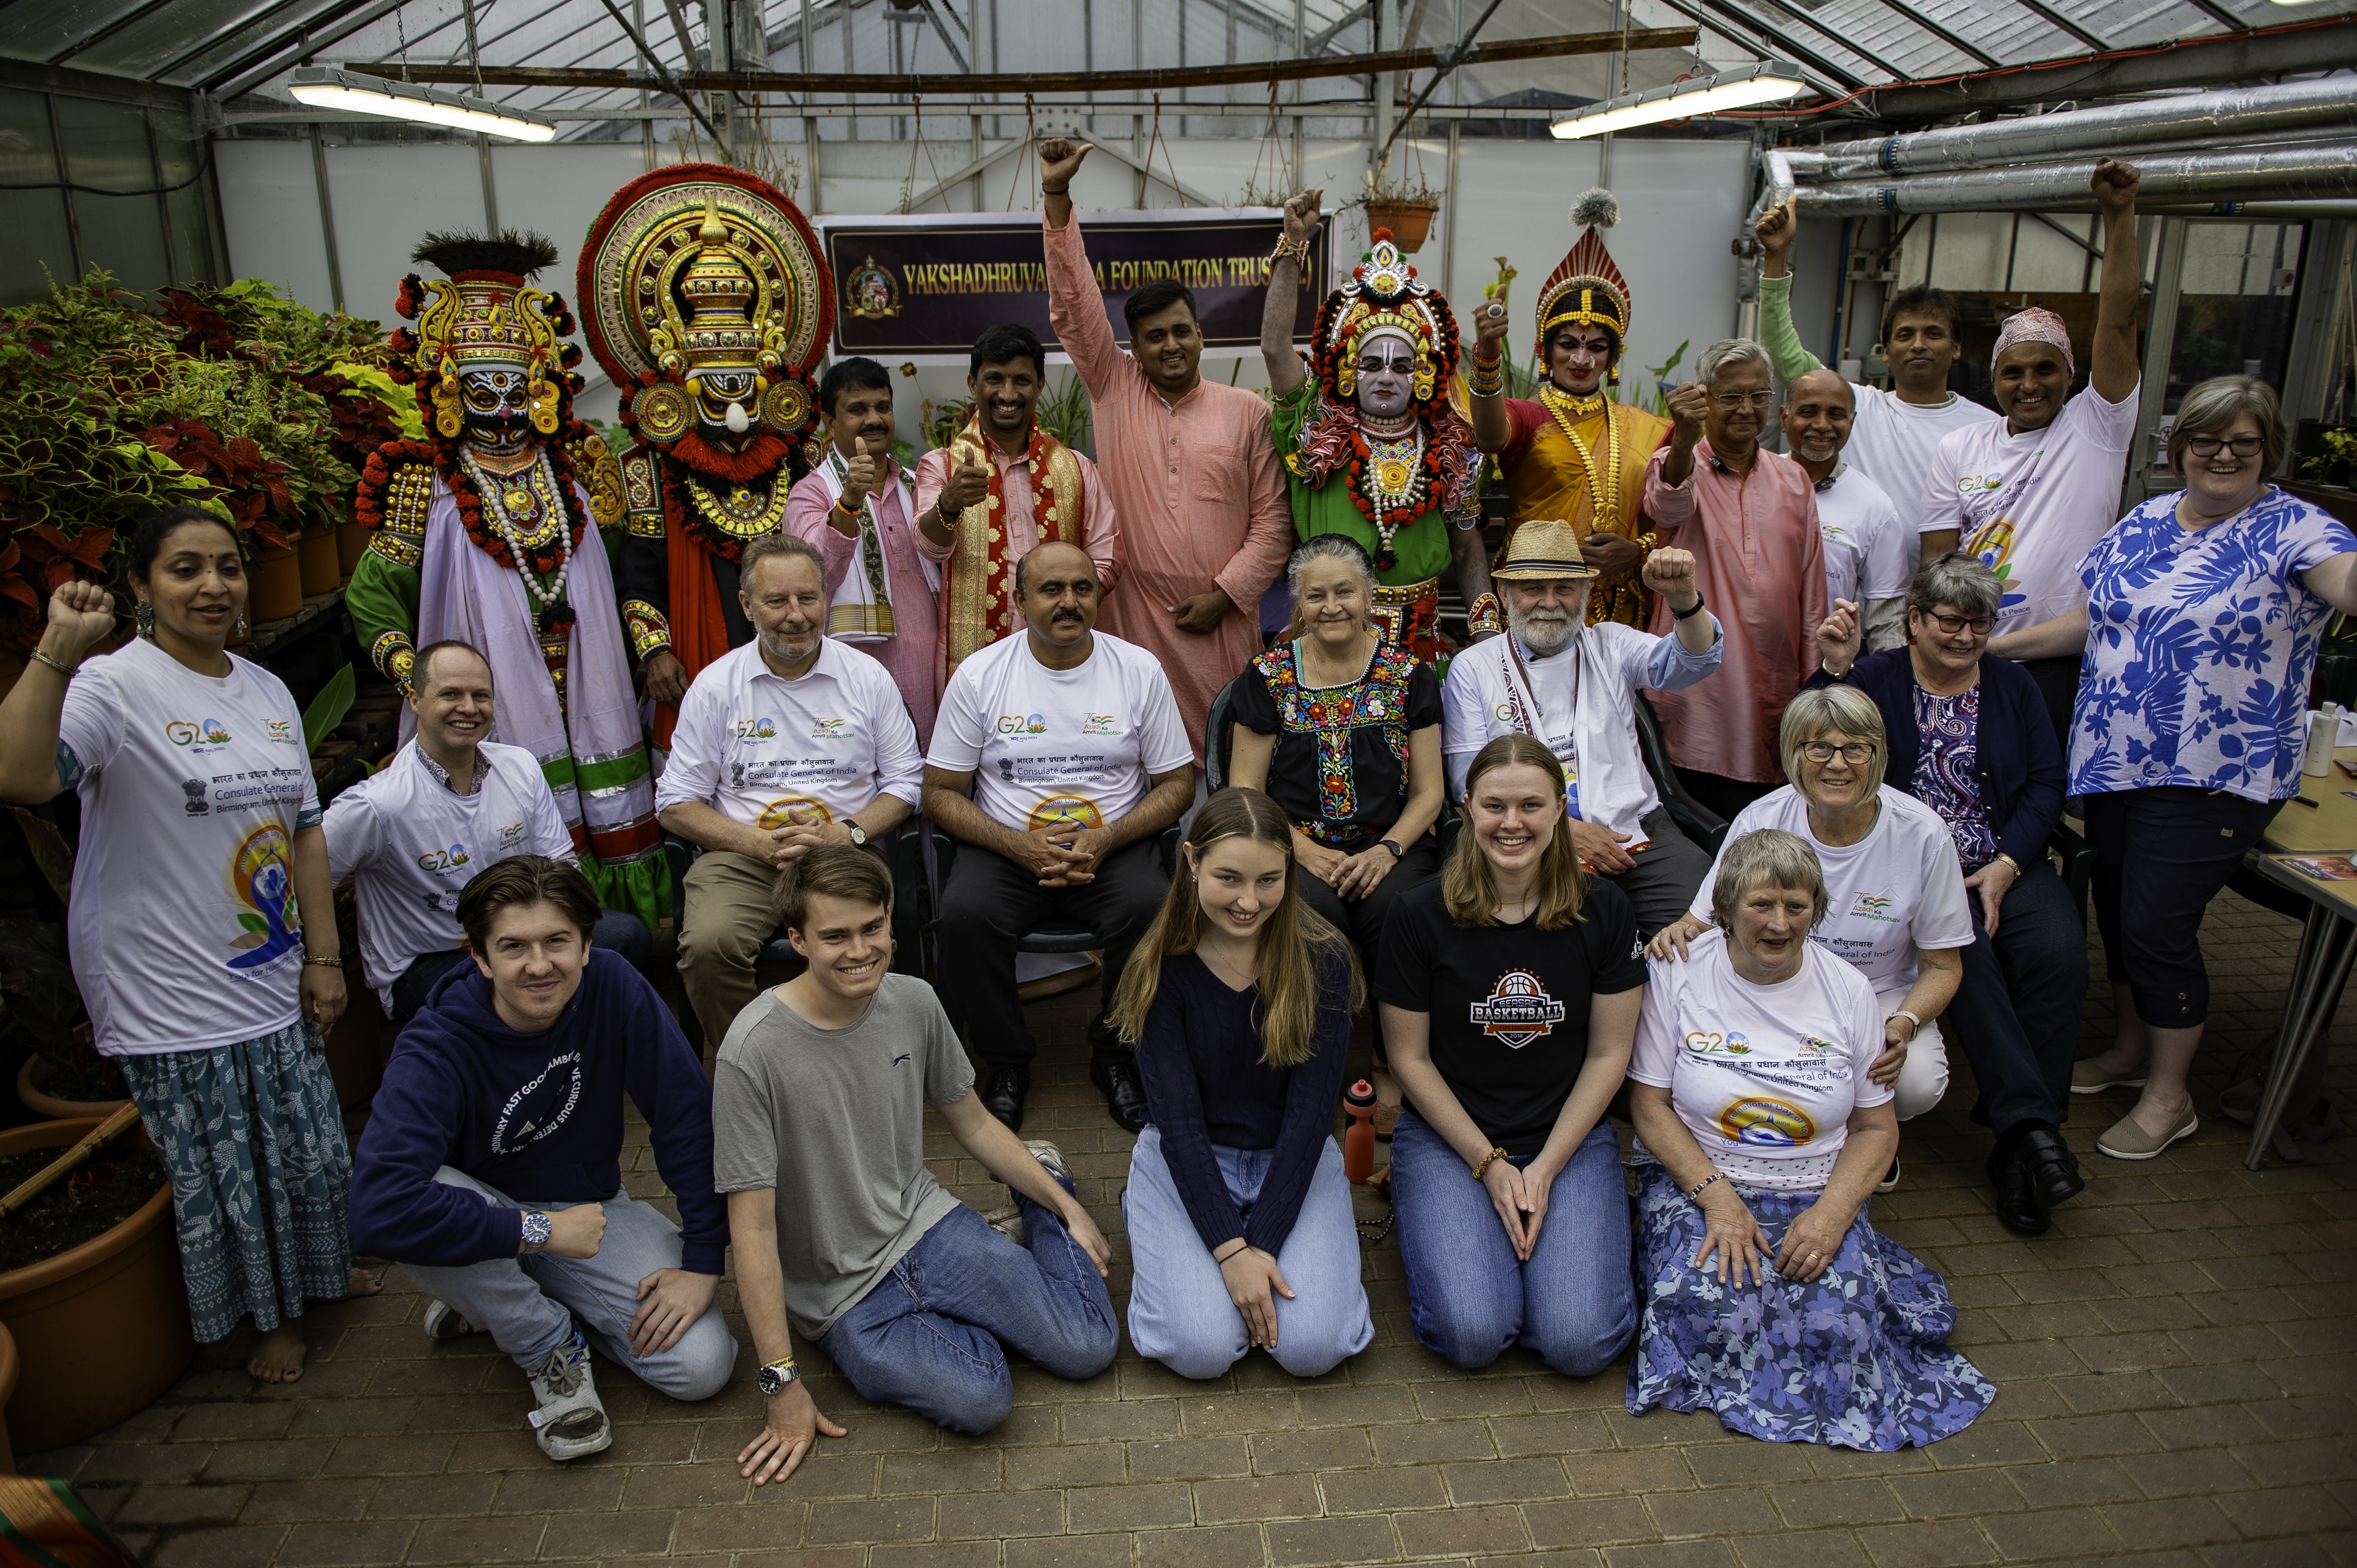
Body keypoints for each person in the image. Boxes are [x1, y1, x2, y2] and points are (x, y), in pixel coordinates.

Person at [0, 507, 374, 1385]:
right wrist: (58, 646)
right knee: (226, 1170)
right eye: (184, 569)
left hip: (269, 966)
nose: (213, 585)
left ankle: (320, 1275)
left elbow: (306, 829)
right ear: (140, 585)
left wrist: (324, 954)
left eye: (228, 567)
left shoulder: (265, 685)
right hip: (166, 979)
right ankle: (260, 1323)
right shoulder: (112, 688)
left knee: (306, 1145)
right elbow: (19, 776)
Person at [1991, 374, 2357, 1160]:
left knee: (2159, 927)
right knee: (2123, 915)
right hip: (2117, 759)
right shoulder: (2147, 519)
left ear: (2269, 451)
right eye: (2207, 439)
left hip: (2215, 770)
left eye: (2244, 441)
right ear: (2179, 446)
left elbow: (2346, 587)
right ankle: (2128, 1052)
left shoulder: (2299, 530)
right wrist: (1989, 650)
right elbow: (2093, 621)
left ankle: (2169, 1094)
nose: (2223, 454)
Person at [716, 845, 1116, 1462]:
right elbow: (751, 1226)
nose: (860, 950)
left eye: (872, 926)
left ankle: (1038, 1190)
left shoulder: (914, 1000)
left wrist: (1065, 1206)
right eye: (834, 935)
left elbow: (975, 1123)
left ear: (890, 917)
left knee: (1089, 1345)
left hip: (929, 1228)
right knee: (982, 1400)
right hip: (842, 1294)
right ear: (796, 938)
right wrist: (781, 1380)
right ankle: (996, 1285)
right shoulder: (752, 1050)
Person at [351, 856, 734, 1460]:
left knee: (702, 1366)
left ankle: (497, 1298)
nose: (538, 965)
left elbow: (685, 1116)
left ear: (587, 943)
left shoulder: (613, 985)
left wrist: (704, 1258)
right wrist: (538, 1230)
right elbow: (376, 1210)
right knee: (418, 1190)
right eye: (513, 946)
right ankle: (544, 1341)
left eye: (557, 940)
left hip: (586, 1208)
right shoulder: (434, 1044)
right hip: (492, 1212)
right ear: (478, 957)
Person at [1627, 829, 1995, 1449]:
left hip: (1813, 1183)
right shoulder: (1678, 972)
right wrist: (1718, 1199)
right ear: (1723, 908)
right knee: (1703, 1299)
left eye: (1796, 906)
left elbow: (1877, 1128)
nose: (1778, 923)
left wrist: (1832, 1215)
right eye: (1760, 904)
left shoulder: (1850, 990)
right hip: (1701, 1176)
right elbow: (1649, 1104)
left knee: (1841, 1324)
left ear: (1816, 911)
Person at [348, 229, 665, 930]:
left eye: (513, 387)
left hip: (591, 678)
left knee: (612, 822)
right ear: (451, 387)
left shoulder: (581, 468)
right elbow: (374, 594)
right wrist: (415, 677)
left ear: (541, 385)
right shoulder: (420, 482)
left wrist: (645, 642)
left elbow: (626, 567)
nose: (499, 405)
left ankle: (621, 952)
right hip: (477, 696)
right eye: (481, 388)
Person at [1810, 553, 2086, 1233]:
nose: (1965, 636)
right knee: (1970, 954)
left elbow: (2048, 783)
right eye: (1950, 620)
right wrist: (1835, 671)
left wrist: (2008, 862)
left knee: (2059, 952)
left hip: (2002, 864)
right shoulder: (1875, 676)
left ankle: (2024, 1138)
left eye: (1980, 622)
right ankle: (2029, 1137)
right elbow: (1808, 740)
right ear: (1914, 619)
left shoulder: (2013, 685)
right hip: (1910, 870)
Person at [1374, 735, 1646, 1376]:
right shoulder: (1418, 913)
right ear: (1467, 807)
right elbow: (1408, 1059)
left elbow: (1611, 1052)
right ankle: (1443, 1223)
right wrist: (1491, 1164)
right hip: (1451, 1138)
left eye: (1532, 804)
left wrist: (1546, 1167)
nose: (1513, 822)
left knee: (1579, 1345)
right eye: (1495, 805)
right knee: (1473, 1335)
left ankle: (1555, 1252)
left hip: (1565, 1138)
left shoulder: (1604, 907)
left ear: (1560, 809)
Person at [925, 540, 1196, 1133]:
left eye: (1082, 587)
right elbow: (941, 790)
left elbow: (1177, 781)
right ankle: (1006, 1061)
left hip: (1112, 843)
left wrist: (1110, 835)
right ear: (1020, 600)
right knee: (966, 914)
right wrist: (1016, 844)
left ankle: (1116, 1054)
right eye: (1051, 589)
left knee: (1150, 904)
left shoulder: (1137, 669)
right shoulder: (981, 675)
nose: (1069, 602)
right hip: (1008, 846)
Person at [1650, 688, 1970, 1188]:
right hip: (1775, 982)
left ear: (1878, 754)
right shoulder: (1762, 818)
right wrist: (1675, 933)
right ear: (1794, 755)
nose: (1836, 764)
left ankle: (1867, 1139)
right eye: (1818, 747)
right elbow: (1708, 918)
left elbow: (1944, 965)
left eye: (1854, 748)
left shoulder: (1924, 835)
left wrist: (1905, 1021)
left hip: (1878, 993)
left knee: (1912, 1082)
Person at [1039, 136, 1292, 762]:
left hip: (1221, 624)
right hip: (1135, 621)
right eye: (1154, 338)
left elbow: (1274, 522)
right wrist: (1056, 197)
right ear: (1134, 347)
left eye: (1182, 331)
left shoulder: (1248, 412)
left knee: (1229, 759)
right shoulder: (1113, 387)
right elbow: (1075, 307)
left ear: (1202, 335)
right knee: (1136, 753)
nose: (1170, 345)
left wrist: (1227, 594)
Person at [1109, 788, 1374, 1378]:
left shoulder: (1322, 958)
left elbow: (1311, 1117)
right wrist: (1232, 1251)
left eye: (1269, 880)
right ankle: (1148, 1207)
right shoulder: (1161, 965)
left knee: (1313, 1349)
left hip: (1291, 1155)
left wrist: (1265, 1245)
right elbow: (1177, 1122)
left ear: (1289, 871)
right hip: (1191, 1154)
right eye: (1229, 877)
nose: (1249, 901)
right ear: (1192, 860)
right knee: (1201, 1349)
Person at [578, 168, 830, 752]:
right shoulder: (649, 467)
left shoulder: (804, 458)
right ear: (679, 385)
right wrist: (655, 649)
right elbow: (638, 571)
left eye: (744, 386)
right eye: (716, 388)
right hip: (698, 655)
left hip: (797, 644)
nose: (736, 409)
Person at [657, 534, 925, 1047]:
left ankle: (865, 1054)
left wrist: (846, 833)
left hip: (845, 852)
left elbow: (906, 783)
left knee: (856, 944)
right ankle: (761, 1065)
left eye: (807, 598)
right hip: (746, 852)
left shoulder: (867, 678)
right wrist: (754, 842)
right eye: (776, 601)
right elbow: (675, 803)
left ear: (826, 597)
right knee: (710, 945)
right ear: (747, 604)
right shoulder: (716, 687)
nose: (796, 615)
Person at [1921, 158, 2146, 744]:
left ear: (2071, 376)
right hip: (1968, 656)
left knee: (2036, 798)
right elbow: (1938, 560)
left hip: (2057, 661)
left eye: (2046, 369)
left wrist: (2118, 216)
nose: (2029, 384)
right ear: (1993, 379)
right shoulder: (1960, 445)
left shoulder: (2095, 427)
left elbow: (2119, 322)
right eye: (2013, 371)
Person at [326, 638, 654, 1031]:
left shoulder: (519, 767)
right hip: (431, 958)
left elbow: (563, 868)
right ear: (414, 700)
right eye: (451, 694)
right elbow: (306, 882)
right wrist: (322, 961)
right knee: (514, 1002)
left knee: (627, 938)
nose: (468, 707)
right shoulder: (377, 804)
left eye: (480, 695)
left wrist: (562, 939)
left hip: (526, 933)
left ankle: (583, 1063)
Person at [1440, 519, 1723, 939]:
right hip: (1531, 841)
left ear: (1585, 594)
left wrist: (1685, 602)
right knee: (1558, 951)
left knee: (1708, 925)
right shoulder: (1475, 666)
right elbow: (1469, 777)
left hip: (1638, 833)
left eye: (1565, 588)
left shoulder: (1613, 644)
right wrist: (1563, 832)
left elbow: (1693, 662)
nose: (1549, 602)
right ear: (1505, 593)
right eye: (1533, 588)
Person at [1258, 189, 1491, 659]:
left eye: (1402, 366)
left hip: (1420, 645)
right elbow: (1274, 348)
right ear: (1348, 367)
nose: (1387, 376)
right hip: (1326, 641)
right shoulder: (1318, 427)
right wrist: (1291, 248)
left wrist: (1487, 635)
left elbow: (1468, 550)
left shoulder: (1450, 445)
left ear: (1424, 375)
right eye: (1372, 363)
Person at [1229, 536, 1445, 978]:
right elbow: (1245, 790)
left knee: (1399, 911)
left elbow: (1429, 792)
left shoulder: (1408, 675)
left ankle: (1394, 1046)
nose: (1332, 606)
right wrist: (1305, 852)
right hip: (1294, 845)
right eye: (1316, 595)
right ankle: (1311, 1043)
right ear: (1299, 603)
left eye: (1344, 591)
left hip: (1390, 844)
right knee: (1311, 917)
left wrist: (1387, 850)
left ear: (1369, 594)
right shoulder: (1268, 676)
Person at [1466, 187, 1675, 632]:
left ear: (1612, 358)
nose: (1581, 360)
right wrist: (1487, 353)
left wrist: (1638, 550)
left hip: (1617, 611)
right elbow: (1487, 436)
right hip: (1534, 599)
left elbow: (1673, 523)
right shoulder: (1528, 416)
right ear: (1545, 351)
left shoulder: (1649, 429)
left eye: (1596, 347)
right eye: (1568, 344)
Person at [1754, 195, 1997, 570]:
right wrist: (1776, 258)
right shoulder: (1855, 405)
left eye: (1933, 333)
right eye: (1905, 335)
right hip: (1846, 588)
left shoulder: (1987, 428)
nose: (1918, 344)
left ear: (1957, 348)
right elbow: (1782, 354)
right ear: (1886, 351)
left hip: (1938, 601)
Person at [1643, 338, 1828, 820]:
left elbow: (1812, 594)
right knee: (1697, 830)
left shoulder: (1793, 480)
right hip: (1698, 697)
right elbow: (1667, 505)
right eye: (1730, 397)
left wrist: (1815, 685)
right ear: (1705, 398)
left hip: (1774, 687)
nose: (1746, 409)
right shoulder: (1675, 464)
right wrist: (1684, 435)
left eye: (1758, 396)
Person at [914, 321, 1119, 693]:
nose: (1008, 394)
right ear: (972, 385)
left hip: (1063, 649)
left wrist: (1066, 611)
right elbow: (929, 547)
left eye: (1021, 380)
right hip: (974, 654)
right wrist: (950, 503)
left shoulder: (1075, 467)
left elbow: (1108, 556)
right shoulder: (941, 465)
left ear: (1039, 385)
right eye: (994, 379)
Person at [784, 357, 942, 743]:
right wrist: (850, 501)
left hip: (932, 673)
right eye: (857, 410)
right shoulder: (811, 492)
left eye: (882, 407)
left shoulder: (914, 484)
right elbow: (814, 577)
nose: (874, 419)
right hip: (856, 674)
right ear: (830, 422)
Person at [1783, 369, 1909, 654]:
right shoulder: (1752, 484)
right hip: (1744, 661)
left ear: (1851, 423)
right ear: (1783, 418)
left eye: (1837, 415)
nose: (1822, 425)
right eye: (1808, 412)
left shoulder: (1875, 507)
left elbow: (1887, 621)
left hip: (1827, 669)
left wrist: (1883, 686)